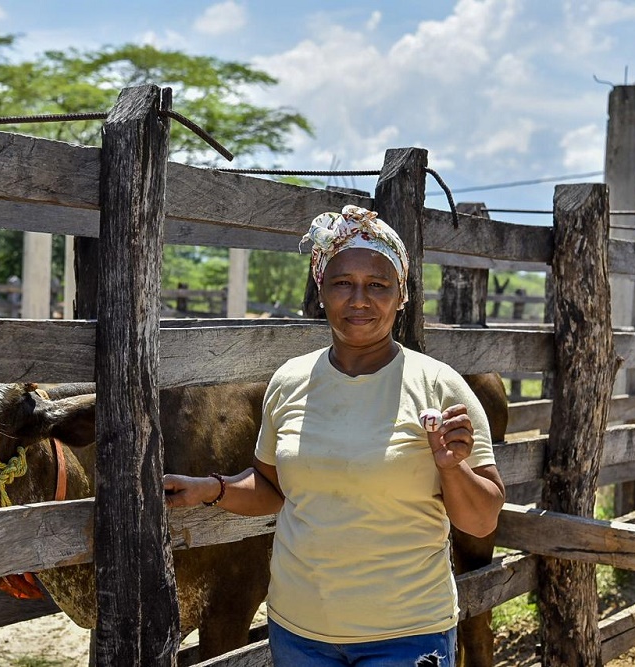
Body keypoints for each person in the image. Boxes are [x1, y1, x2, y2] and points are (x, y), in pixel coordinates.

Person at [164, 205, 505, 667]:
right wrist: (212, 489)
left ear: (401, 294)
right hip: (300, 632)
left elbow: (482, 521)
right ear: (321, 289)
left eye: (378, 285)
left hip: (407, 635)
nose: (359, 299)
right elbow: (272, 488)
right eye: (343, 283)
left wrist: (452, 467)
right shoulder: (289, 382)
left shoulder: (439, 387)